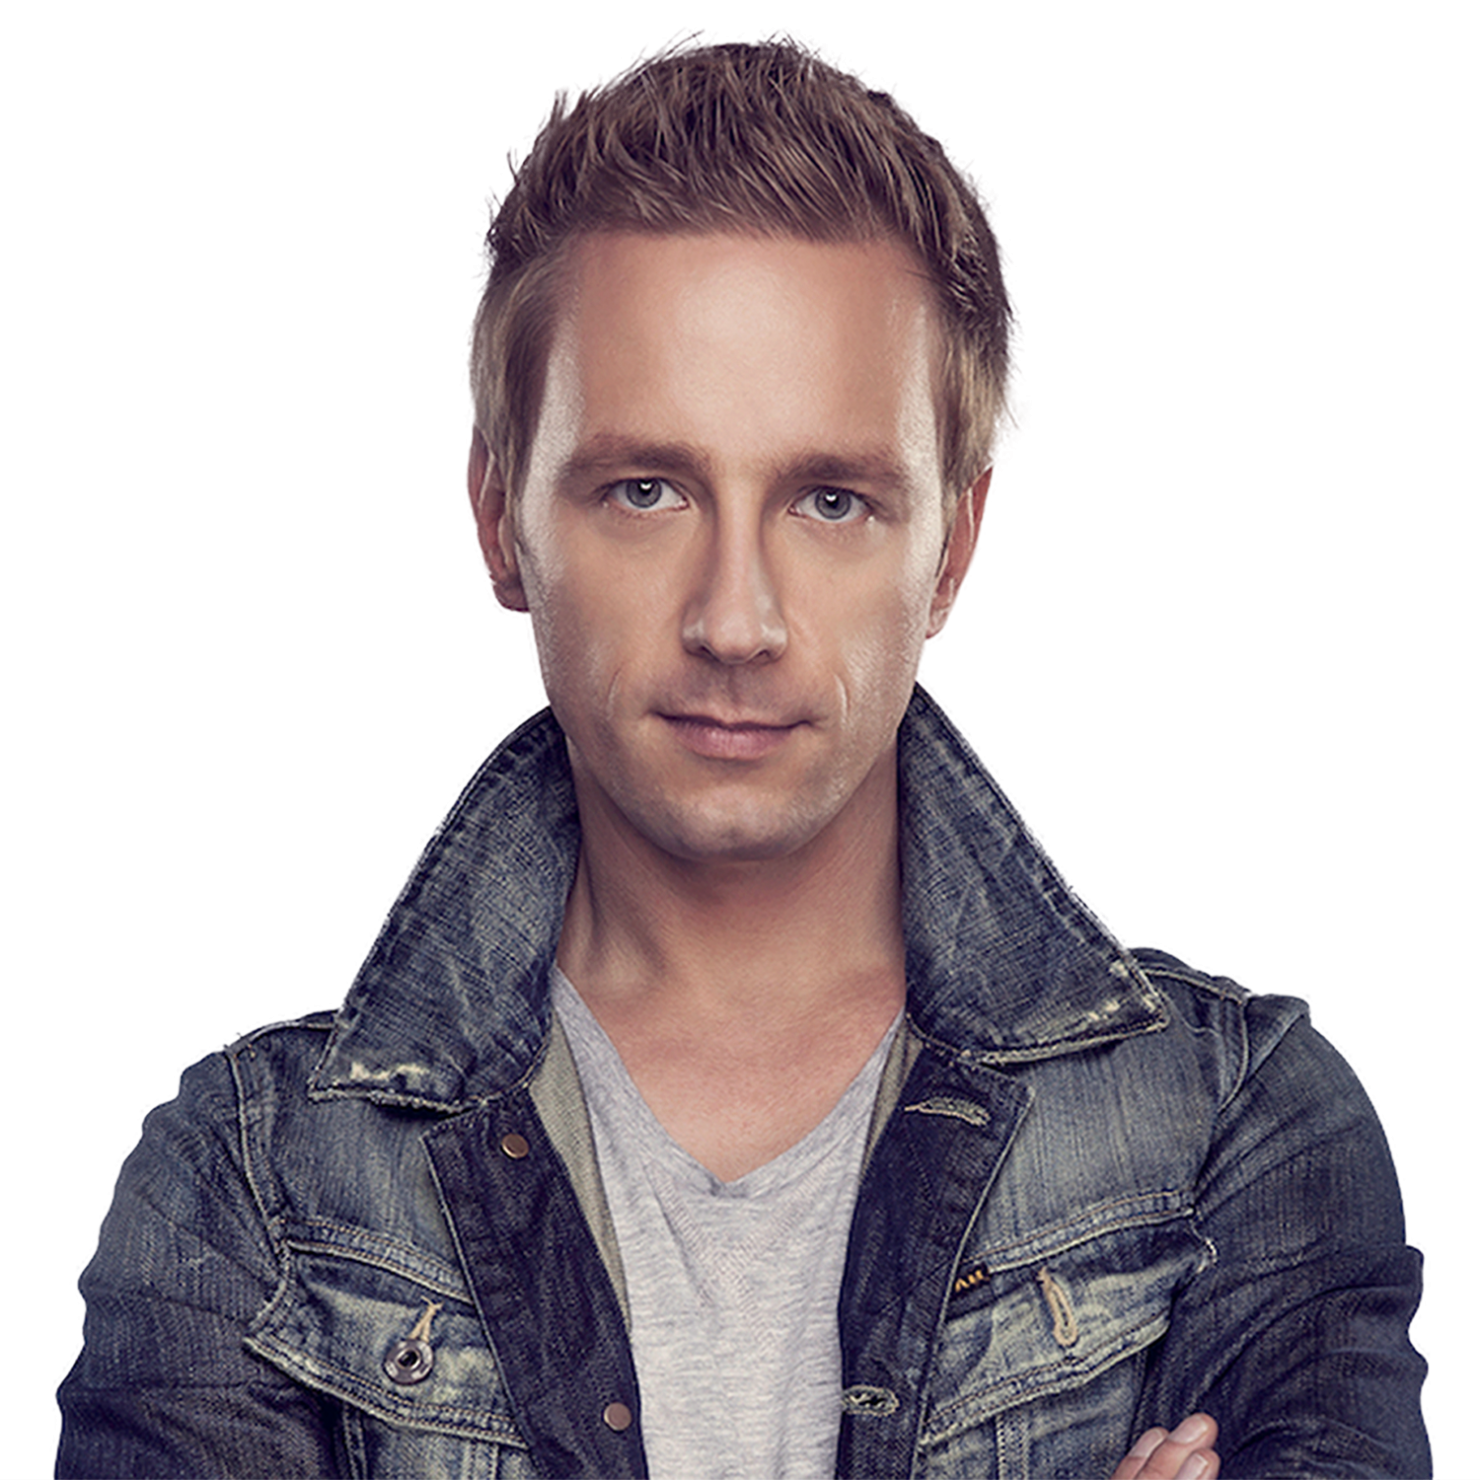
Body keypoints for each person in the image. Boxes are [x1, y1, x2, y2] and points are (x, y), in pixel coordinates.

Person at [54, 29, 1430, 1479]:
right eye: (646, 489)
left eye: (831, 501)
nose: (735, 620)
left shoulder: (1236, 1126)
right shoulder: (249, 1181)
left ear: (953, 551)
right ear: (498, 518)